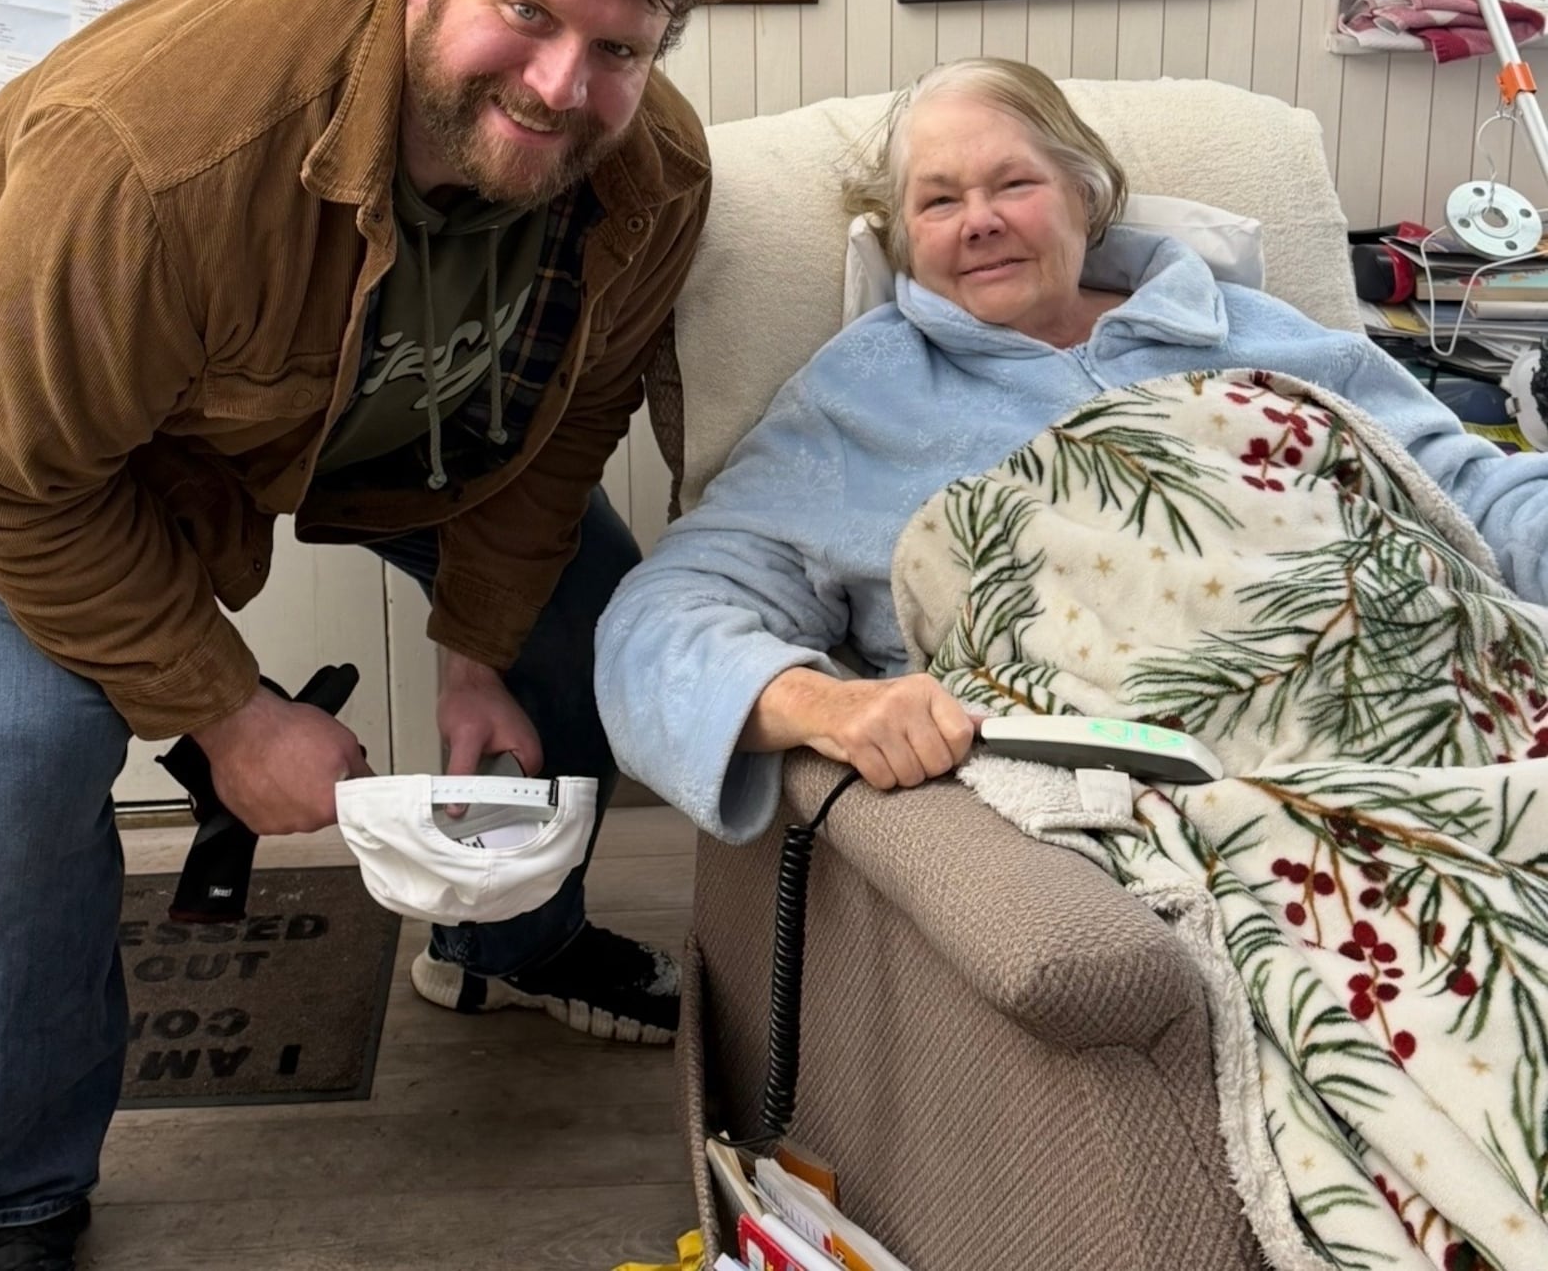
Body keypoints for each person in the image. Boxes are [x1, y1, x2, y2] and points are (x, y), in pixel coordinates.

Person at [0, 0, 719, 1269]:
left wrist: (485, 651)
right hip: (14, 427)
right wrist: (228, 714)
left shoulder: (652, 178)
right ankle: (18, 1190)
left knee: (598, 630)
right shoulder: (159, 155)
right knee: (40, 747)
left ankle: (511, 943)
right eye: (527, 12)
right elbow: (9, 476)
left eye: (617, 48)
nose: (565, 84)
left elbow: (560, 425)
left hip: (364, 415)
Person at [595, 56, 1548, 842]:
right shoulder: (859, 400)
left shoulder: (1259, 332)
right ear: (901, 242)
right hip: (1178, 795)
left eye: (1014, 183)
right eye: (937, 202)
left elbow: (1466, 490)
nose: (980, 219)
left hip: (1440, 691)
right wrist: (824, 706)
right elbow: (660, 623)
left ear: (1086, 197)